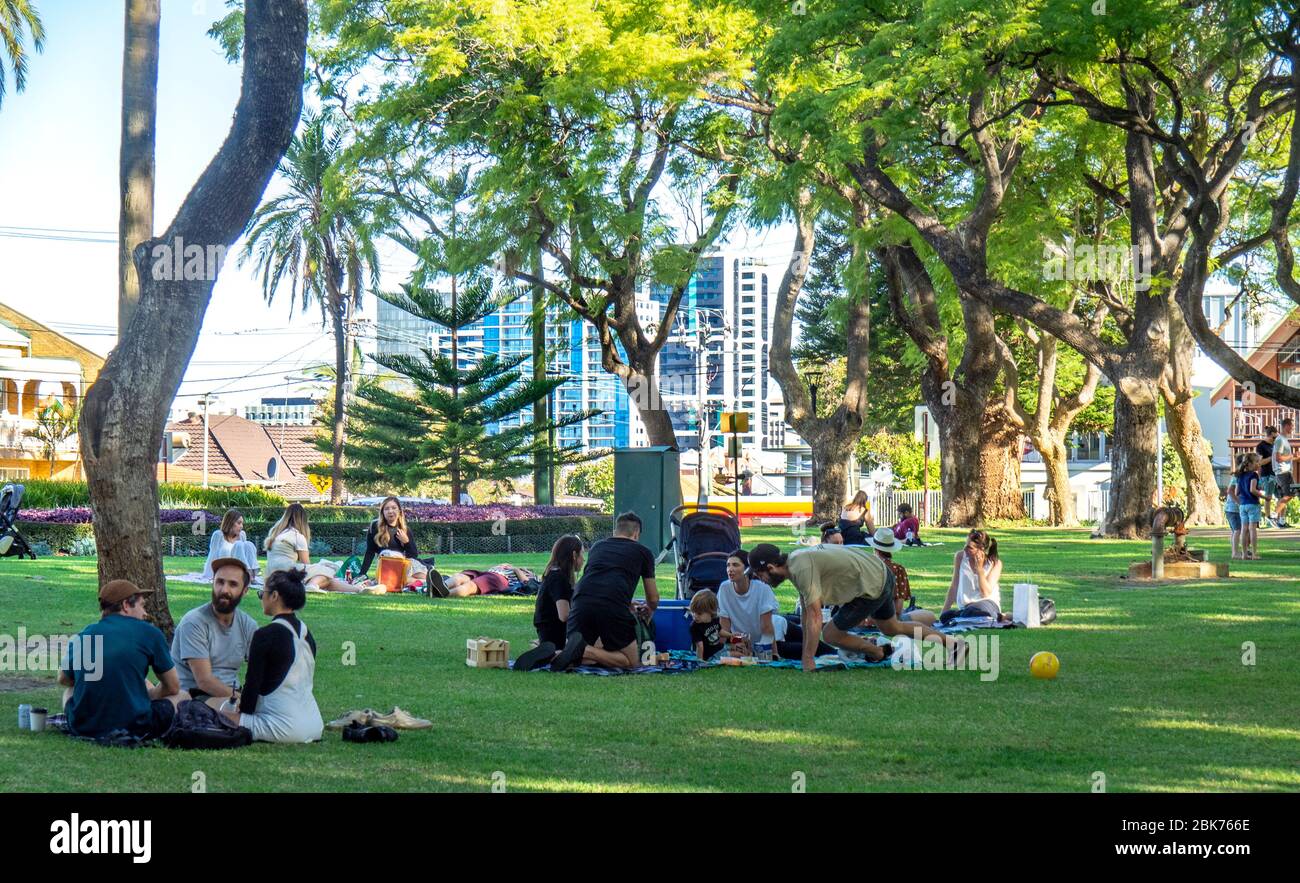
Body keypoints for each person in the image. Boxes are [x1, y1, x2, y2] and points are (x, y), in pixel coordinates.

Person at [747, 542, 964, 673]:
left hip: (871, 585)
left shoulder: (800, 568)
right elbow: (805, 613)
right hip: (879, 574)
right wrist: (807, 655)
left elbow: (813, 615)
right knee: (892, 628)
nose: (760, 580)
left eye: (759, 575)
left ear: (771, 567)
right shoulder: (796, 561)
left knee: (830, 634)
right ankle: (955, 645)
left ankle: (877, 652)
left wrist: (808, 659)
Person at [58, 580, 188, 740]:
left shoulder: (84, 634)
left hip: (83, 727)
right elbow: (173, 687)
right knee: (182, 696)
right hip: (135, 726)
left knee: (69, 692)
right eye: (142, 606)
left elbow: (64, 679)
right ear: (126, 605)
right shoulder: (149, 633)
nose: (145, 613)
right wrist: (150, 694)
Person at [219, 569, 323, 743]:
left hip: (284, 727)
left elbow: (253, 684)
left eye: (263, 594)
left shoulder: (265, 635)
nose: (262, 599)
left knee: (220, 716)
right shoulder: (307, 634)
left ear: (274, 596)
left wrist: (241, 711)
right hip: (314, 724)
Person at [551, 511, 659, 671]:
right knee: (631, 663)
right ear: (636, 534)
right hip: (612, 607)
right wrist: (650, 610)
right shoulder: (643, 552)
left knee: (585, 659)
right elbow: (653, 597)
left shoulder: (598, 547)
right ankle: (584, 649)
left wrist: (626, 601)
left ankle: (556, 654)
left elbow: (598, 581)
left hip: (580, 602)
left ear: (615, 531)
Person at [171, 558, 258, 707]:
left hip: (231, 694)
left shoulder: (248, 625)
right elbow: (204, 681)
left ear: (245, 591)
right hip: (193, 696)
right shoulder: (194, 622)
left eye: (233, 584)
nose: (224, 590)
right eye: (220, 582)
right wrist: (245, 701)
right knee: (240, 715)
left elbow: (261, 671)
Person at [717, 549, 830, 660]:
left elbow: (767, 626)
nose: (730, 569)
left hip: (776, 629)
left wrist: (773, 652)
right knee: (798, 650)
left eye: (735, 565)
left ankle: (840, 652)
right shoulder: (724, 588)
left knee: (816, 648)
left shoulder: (762, 588)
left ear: (747, 569)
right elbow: (724, 624)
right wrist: (718, 651)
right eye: (728, 565)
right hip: (754, 642)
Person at [264, 503, 366, 593]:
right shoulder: (297, 536)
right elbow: (306, 563)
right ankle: (312, 585)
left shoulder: (275, 533)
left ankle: (357, 589)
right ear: (302, 520)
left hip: (271, 575)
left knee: (325, 578)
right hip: (287, 573)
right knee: (329, 570)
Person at [867, 527, 937, 627]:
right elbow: (898, 610)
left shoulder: (866, 566)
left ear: (875, 548)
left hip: (861, 618)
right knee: (929, 616)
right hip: (888, 621)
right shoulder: (897, 569)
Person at [357, 496, 423, 581]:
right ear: (382, 512)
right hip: (385, 566)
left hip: (403, 565)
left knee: (421, 574)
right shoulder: (375, 527)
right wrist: (362, 573)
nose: (390, 511)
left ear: (399, 511)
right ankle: (422, 582)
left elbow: (413, 556)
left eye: (394, 508)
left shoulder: (405, 530)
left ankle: (430, 581)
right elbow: (370, 552)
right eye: (387, 509)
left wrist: (407, 542)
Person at [942, 529, 1003, 621]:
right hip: (966, 608)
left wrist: (979, 570)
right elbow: (954, 586)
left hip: (987, 604)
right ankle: (962, 616)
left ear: (981, 549)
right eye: (965, 545)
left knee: (972, 613)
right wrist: (944, 611)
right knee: (946, 617)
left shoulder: (995, 563)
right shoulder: (960, 557)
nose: (965, 549)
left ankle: (1000, 616)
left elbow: (985, 593)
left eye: (970, 547)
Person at [201, 509, 259, 582]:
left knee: (248, 544)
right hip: (225, 569)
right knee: (239, 544)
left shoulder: (242, 535)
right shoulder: (218, 535)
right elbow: (213, 556)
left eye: (242, 523)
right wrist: (213, 574)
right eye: (239, 523)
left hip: (240, 568)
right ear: (230, 523)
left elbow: (245, 555)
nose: (241, 526)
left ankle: (251, 575)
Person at [445, 563, 538, 597]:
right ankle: (441, 586)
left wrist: (517, 569)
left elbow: (527, 583)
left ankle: (442, 593)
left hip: (499, 578)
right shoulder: (510, 567)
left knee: (470, 586)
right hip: (487, 573)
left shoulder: (531, 576)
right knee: (459, 577)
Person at [1236, 451, 1262, 559]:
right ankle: (1254, 554)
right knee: (1252, 529)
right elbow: (1252, 490)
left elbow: (1237, 492)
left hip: (1242, 505)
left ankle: (1244, 554)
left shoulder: (1240, 475)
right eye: (1256, 462)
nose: (1258, 464)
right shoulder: (1254, 475)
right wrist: (1263, 496)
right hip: (1253, 504)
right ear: (1250, 464)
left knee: (1244, 529)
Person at [689, 589, 727, 661]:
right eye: (693, 612)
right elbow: (699, 646)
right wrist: (700, 661)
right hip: (707, 655)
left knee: (735, 648)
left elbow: (720, 631)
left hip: (717, 648)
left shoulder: (714, 619)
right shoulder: (694, 627)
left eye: (699, 613)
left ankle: (750, 654)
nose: (695, 616)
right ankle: (751, 657)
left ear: (711, 612)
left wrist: (731, 635)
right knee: (735, 654)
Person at [1269, 418, 1294, 528]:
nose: (1292, 428)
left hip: (1285, 471)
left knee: (1284, 496)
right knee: (1289, 495)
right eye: (1291, 426)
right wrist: (1292, 456)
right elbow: (1278, 458)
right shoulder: (1280, 440)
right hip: (1282, 472)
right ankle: (1273, 516)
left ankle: (1282, 521)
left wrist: (1294, 458)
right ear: (1286, 426)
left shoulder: (1284, 439)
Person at [1255, 426, 1277, 527]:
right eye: (1275, 436)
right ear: (1272, 434)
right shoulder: (1261, 446)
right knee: (1268, 497)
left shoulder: (1275, 444)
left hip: (1277, 474)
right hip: (1267, 475)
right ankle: (1268, 519)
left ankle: (1279, 519)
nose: (1276, 437)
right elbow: (1259, 462)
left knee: (1281, 496)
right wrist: (1272, 457)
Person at [1224, 456, 1243, 559]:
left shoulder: (1239, 476)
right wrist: (1238, 502)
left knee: (1235, 531)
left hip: (1231, 509)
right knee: (1237, 530)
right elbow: (1230, 491)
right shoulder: (1236, 477)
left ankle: (1236, 551)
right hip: (1232, 509)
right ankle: (1235, 553)